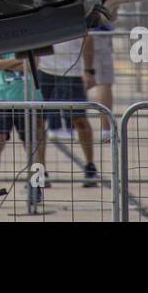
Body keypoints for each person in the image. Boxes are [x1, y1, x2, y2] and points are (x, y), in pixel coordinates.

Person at [0, 52, 47, 206]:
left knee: (31, 144)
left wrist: (4, 64)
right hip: (3, 97)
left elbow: (31, 65)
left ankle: (36, 185)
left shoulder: (29, 39)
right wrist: (16, 61)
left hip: (27, 98)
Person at [36, 37, 102, 187]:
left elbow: (88, 37)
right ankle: (40, 169)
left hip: (72, 71)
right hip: (44, 69)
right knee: (38, 121)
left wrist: (89, 71)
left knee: (79, 119)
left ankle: (90, 165)